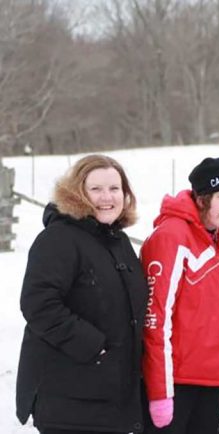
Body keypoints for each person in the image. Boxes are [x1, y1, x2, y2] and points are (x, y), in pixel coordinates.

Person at [16, 154, 149, 433]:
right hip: (70, 395)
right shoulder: (59, 238)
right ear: (78, 192)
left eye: (114, 189)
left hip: (109, 393)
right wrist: (93, 345)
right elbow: (39, 304)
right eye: (96, 189)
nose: (106, 197)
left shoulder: (117, 240)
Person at [141, 157, 219, 433]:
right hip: (176, 383)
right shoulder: (171, 236)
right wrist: (160, 391)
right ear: (202, 198)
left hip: (212, 384)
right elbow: (155, 319)